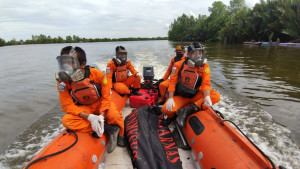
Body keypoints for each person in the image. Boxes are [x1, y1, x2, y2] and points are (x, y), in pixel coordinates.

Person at [55, 46, 125, 153]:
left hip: (100, 104)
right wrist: (90, 117)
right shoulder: (62, 83)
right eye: (63, 63)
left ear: (83, 64)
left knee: (115, 116)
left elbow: (106, 97)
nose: (66, 68)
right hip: (84, 108)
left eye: (70, 63)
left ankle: (120, 134)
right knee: (67, 121)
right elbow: (67, 105)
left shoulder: (97, 75)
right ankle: (109, 129)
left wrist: (101, 115)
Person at [162, 42, 220, 127]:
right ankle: (172, 117)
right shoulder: (178, 65)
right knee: (166, 109)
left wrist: (207, 97)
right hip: (182, 95)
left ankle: (188, 111)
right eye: (195, 53)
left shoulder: (205, 66)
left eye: (200, 53)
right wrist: (170, 98)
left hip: (196, 94)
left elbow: (206, 83)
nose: (198, 56)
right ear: (188, 54)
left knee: (215, 96)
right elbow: (172, 82)